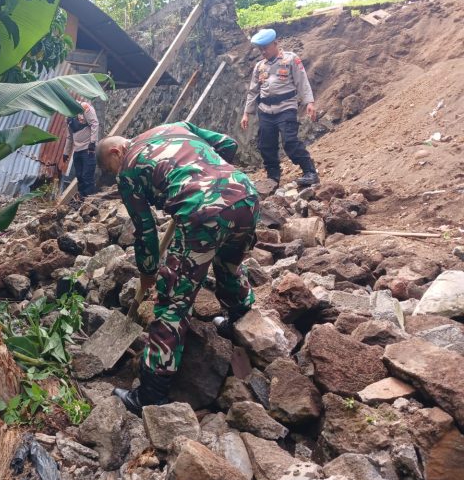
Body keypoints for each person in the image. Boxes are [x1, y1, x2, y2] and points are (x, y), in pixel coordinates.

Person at [96, 121, 259, 415]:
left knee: (173, 303)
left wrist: (147, 274)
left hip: (202, 214)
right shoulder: (176, 126)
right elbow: (228, 144)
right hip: (245, 195)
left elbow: (145, 231)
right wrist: (214, 179)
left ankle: (149, 394)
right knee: (228, 266)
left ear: (116, 151)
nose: (115, 174)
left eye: (111, 168)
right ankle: (244, 327)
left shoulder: (129, 169)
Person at [241, 28, 319, 187]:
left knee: (290, 141)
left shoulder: (291, 59)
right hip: (265, 111)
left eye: (266, 48)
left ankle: (310, 171)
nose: (263, 52)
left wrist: (309, 102)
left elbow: (302, 81)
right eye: (260, 49)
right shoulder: (259, 66)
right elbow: (253, 91)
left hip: (286, 108)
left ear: (275, 43)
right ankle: (273, 177)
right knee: (265, 144)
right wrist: (246, 113)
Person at [62, 100, 99, 197]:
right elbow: (69, 136)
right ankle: (82, 200)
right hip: (77, 151)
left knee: (87, 177)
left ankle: (90, 201)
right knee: (79, 177)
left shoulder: (85, 108)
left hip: (88, 149)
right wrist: (66, 152)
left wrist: (92, 142)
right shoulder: (68, 116)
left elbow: (94, 124)